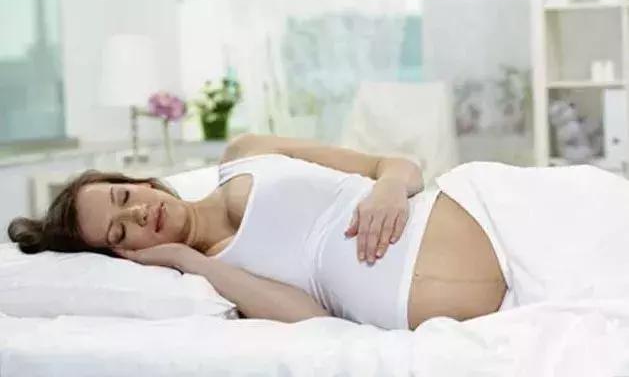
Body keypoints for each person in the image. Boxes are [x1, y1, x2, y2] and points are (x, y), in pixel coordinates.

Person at [9, 134, 629, 330]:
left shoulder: (245, 155)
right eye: (119, 234)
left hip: (502, 215)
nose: (138, 216)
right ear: (123, 257)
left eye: (124, 199)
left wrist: (388, 190)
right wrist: (190, 261)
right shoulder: (215, 280)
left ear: (140, 182)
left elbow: (394, 163)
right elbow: (312, 320)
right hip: (508, 306)